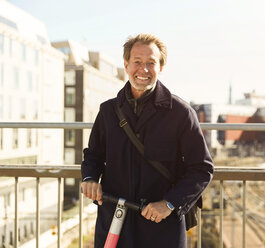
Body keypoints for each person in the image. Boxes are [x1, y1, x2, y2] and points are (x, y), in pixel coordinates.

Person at [81, 33, 214, 248]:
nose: (143, 69)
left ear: (160, 67)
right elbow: (94, 155)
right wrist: (89, 178)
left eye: (151, 63)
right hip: (115, 222)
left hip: (162, 227)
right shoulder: (108, 111)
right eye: (137, 62)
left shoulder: (181, 113)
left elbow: (201, 168)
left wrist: (169, 204)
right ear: (126, 65)